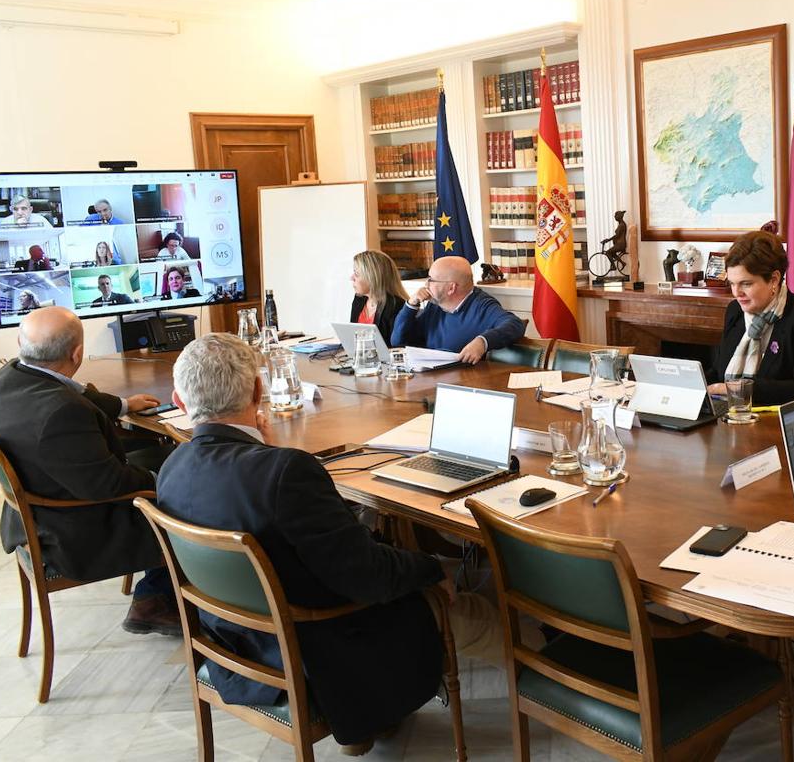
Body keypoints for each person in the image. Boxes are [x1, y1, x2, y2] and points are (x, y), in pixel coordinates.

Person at [157, 334, 499, 753]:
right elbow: (367, 578)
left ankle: (383, 719)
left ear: (179, 400)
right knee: (476, 609)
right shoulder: (285, 472)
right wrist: (432, 568)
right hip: (319, 651)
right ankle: (550, 680)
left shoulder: (171, 468)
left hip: (235, 638)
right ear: (259, 391)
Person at [0, 307, 180, 635]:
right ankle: (152, 601)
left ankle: (159, 593)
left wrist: (123, 406)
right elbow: (108, 484)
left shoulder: (11, 375)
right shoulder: (61, 414)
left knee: (160, 456)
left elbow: (69, 390)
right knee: (188, 495)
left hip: (37, 508)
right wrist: (169, 483)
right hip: (71, 530)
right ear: (78, 353)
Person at [704, 230, 794, 404]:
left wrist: (739, 390)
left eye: (746, 284)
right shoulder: (735, 312)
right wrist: (694, 382)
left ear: (774, 280)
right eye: (732, 283)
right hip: (730, 416)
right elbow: (719, 371)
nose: (737, 293)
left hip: (773, 424)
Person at [391, 256, 524, 363]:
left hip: (467, 384)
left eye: (431, 280)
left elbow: (515, 324)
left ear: (451, 288)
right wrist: (411, 305)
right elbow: (398, 341)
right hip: (430, 380)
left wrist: (482, 342)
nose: (426, 285)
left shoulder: (482, 305)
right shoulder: (435, 306)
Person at [350, 249, 408, 341]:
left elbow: (396, 346)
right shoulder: (359, 299)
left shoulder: (396, 305)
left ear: (372, 277)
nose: (351, 278)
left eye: (356, 274)